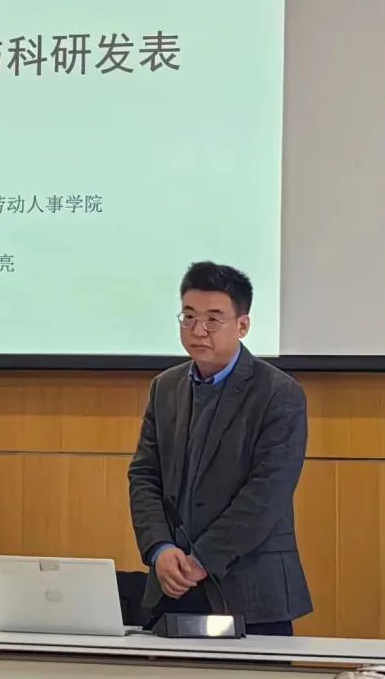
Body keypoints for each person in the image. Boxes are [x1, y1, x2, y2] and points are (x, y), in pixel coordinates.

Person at [128, 262, 311, 635]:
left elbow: (266, 495)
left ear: (242, 325)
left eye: (213, 319)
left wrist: (203, 560)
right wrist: (159, 549)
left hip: (252, 593)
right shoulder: (165, 387)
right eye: (189, 317)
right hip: (174, 586)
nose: (198, 330)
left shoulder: (278, 393)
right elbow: (144, 475)